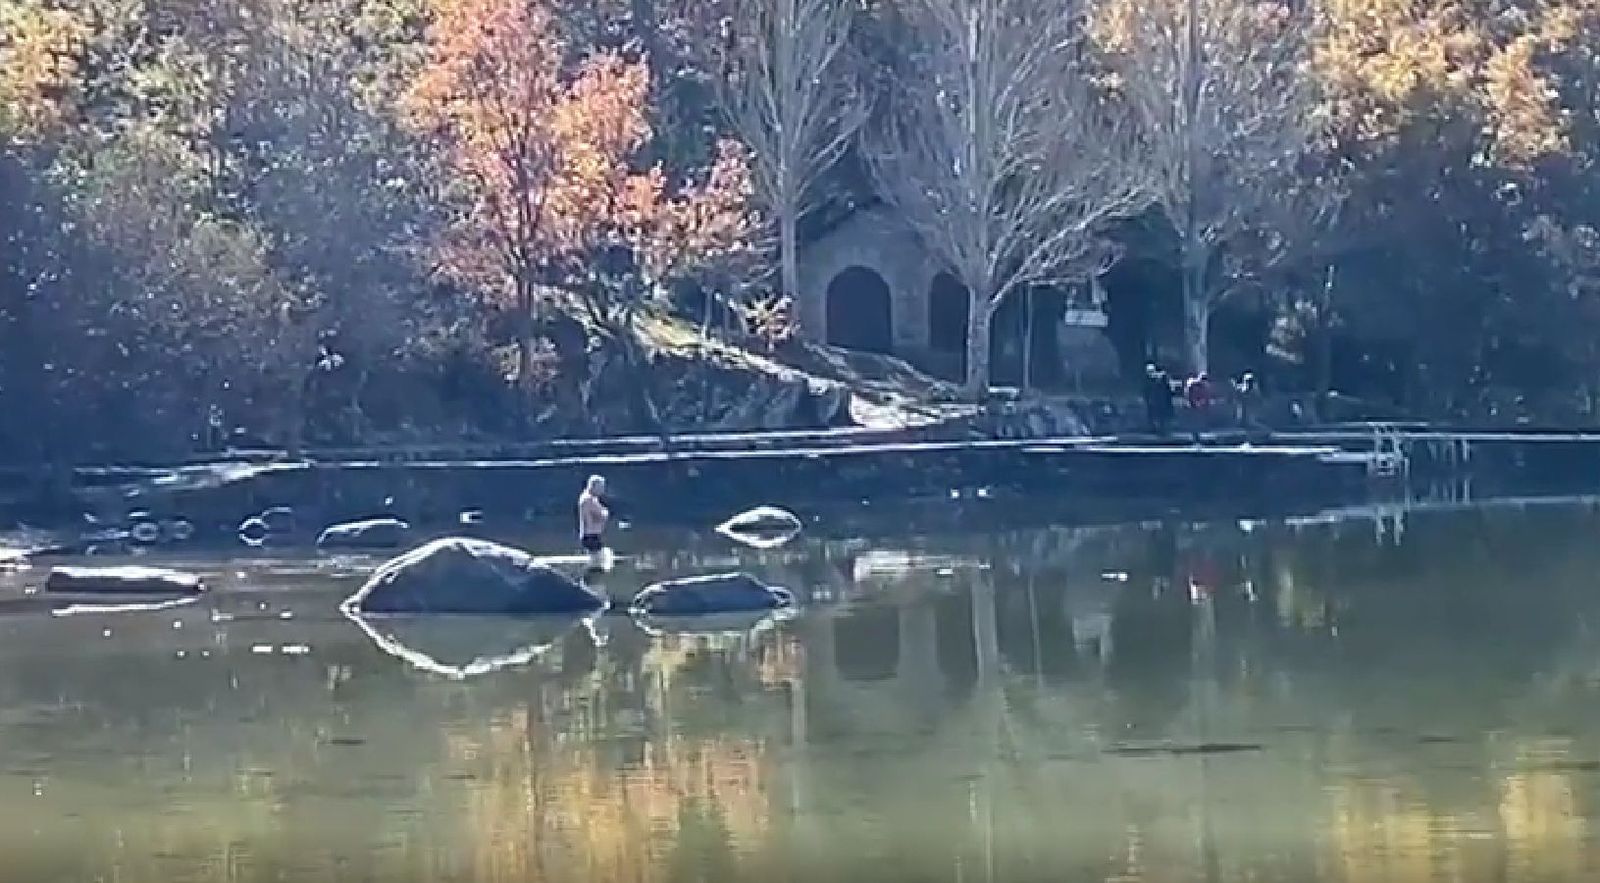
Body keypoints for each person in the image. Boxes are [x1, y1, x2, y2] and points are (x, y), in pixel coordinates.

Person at [577, 475, 609, 556]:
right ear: (594, 486)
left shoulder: (588, 498)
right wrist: (605, 512)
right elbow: (601, 514)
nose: (603, 490)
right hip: (591, 536)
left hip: (590, 535)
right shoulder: (588, 499)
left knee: (598, 558)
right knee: (598, 561)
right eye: (601, 487)